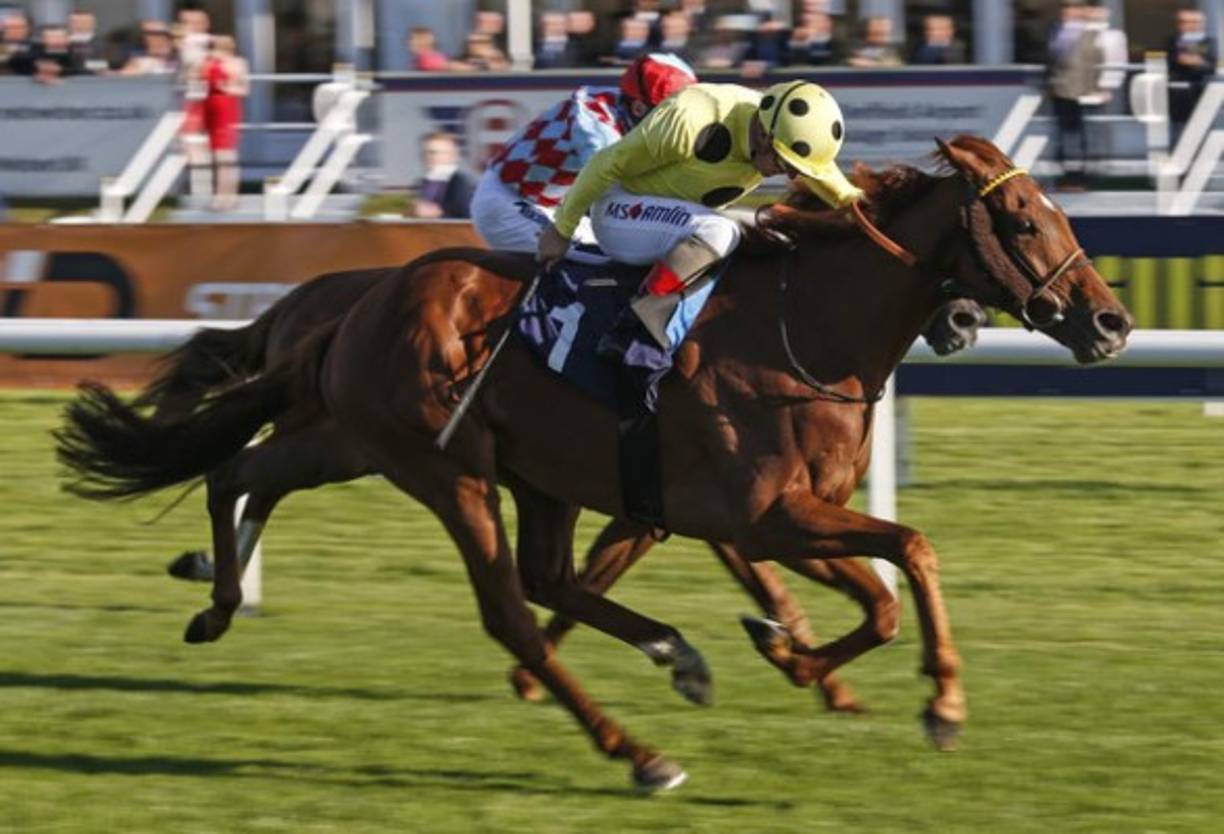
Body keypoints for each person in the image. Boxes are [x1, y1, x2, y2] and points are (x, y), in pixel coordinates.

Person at [536, 79, 863, 359]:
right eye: (787, 163)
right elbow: (605, 164)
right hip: (620, 211)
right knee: (719, 230)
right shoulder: (690, 119)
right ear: (763, 134)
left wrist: (870, 212)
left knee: (766, 231)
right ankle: (634, 328)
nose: (792, 176)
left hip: (672, 217)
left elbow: (841, 192)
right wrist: (561, 229)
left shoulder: (777, 131)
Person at [471, 53, 698, 252]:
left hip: (554, 206)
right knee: (594, 262)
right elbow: (620, 188)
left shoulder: (633, 110)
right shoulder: (594, 124)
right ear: (639, 108)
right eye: (670, 116)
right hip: (511, 202)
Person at [1046, 2, 1102, 189]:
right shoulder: (1056, 31)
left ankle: (1081, 176)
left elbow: (1096, 61)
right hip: (1061, 90)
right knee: (1064, 134)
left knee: (1083, 134)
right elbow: (1052, 60)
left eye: (1072, 9)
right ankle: (1067, 174)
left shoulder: (1091, 33)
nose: (1068, 13)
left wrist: (1096, 87)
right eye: (1066, 9)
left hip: (1083, 91)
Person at [200, 35, 249, 211]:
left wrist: (227, 88)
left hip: (227, 109)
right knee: (217, 156)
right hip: (211, 108)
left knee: (226, 155)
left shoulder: (237, 63)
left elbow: (244, 89)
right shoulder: (209, 62)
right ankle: (221, 195)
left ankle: (229, 196)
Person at [1166, 9, 1218, 147]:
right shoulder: (1172, 41)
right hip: (1178, 92)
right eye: (1186, 22)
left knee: (1202, 125)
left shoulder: (1211, 42)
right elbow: (1172, 61)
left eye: (1195, 22)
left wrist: (1199, 62)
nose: (1191, 26)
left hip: (1202, 90)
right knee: (1178, 128)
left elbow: (1212, 64)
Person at [411, 132, 477, 219]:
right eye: (426, 152)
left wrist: (439, 215)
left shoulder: (461, 183)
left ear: (453, 155)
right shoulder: (422, 183)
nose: (429, 157)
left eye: (434, 153)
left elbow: (470, 218)